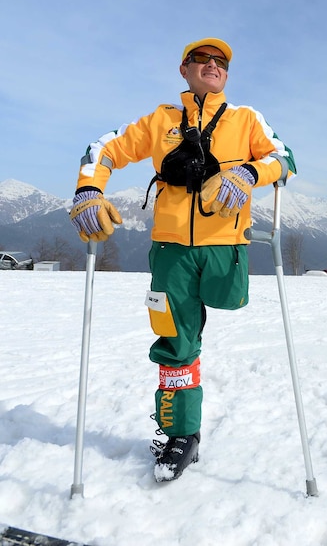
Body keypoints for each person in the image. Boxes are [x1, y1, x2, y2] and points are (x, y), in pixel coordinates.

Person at [69, 38, 295, 482]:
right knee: (174, 341)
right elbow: (103, 150)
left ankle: (188, 389)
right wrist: (89, 188)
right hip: (171, 251)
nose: (212, 65)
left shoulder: (246, 119)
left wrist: (249, 172)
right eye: (202, 59)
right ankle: (181, 434)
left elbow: (284, 158)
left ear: (227, 74)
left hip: (225, 248)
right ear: (184, 69)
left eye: (221, 61)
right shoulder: (161, 121)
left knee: (230, 303)